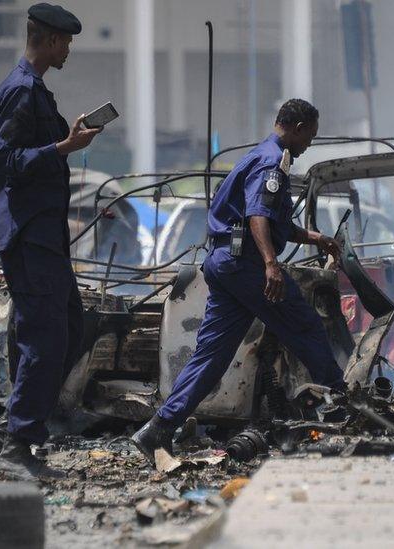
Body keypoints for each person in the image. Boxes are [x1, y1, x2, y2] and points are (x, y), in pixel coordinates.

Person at [131, 99, 347, 465]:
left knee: (211, 355)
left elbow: (274, 221)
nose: (309, 144)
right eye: (309, 136)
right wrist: (270, 264)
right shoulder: (271, 163)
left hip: (224, 263)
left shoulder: (259, 155)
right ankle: (345, 405)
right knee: (306, 325)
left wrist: (315, 238)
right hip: (246, 265)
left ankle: (157, 429)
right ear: (295, 128)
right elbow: (258, 217)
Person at [0, 3, 102, 479]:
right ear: (49, 40)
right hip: (28, 235)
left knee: (68, 326)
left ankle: (7, 429)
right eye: (65, 40)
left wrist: (64, 142)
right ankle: (17, 450)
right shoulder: (22, 91)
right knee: (45, 338)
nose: (68, 48)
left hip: (43, 237)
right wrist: (64, 148)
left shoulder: (34, 91)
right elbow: (5, 159)